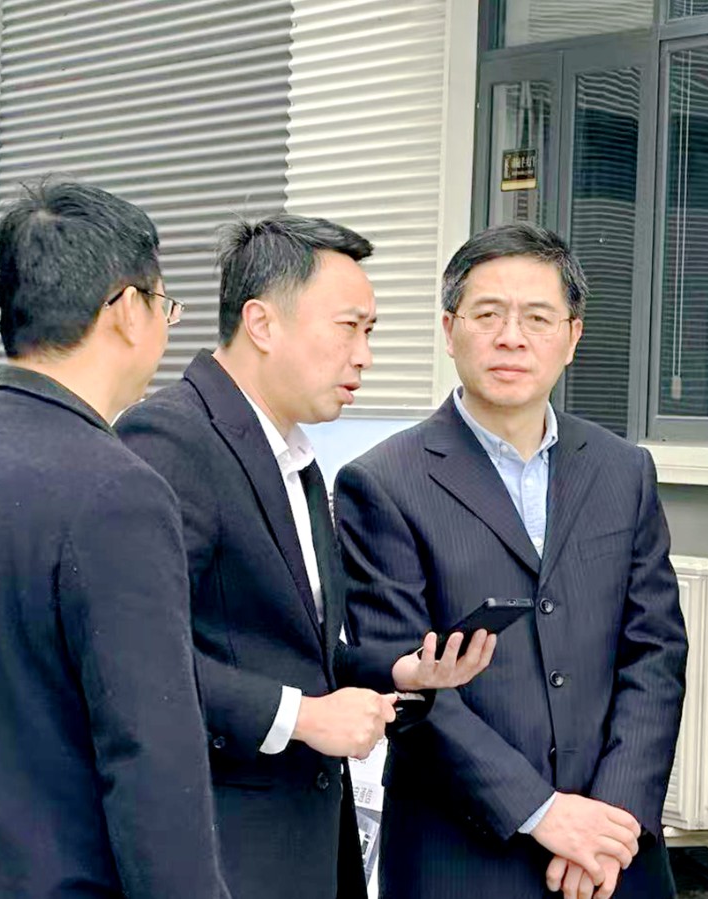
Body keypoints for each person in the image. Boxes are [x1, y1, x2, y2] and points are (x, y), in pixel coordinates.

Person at [117, 215, 495, 899]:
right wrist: (301, 717)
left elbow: (287, 651)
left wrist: (402, 670)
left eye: (370, 331)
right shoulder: (172, 439)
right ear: (262, 323)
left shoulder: (295, 457)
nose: (364, 356)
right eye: (349, 327)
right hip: (218, 851)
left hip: (302, 845)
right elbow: (133, 658)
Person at [0, 182, 228, 898]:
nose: (165, 327)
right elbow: (151, 761)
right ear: (125, 311)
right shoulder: (119, 493)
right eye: (164, 305)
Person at [335, 223, 688, 899]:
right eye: (488, 315)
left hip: (614, 857)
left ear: (572, 337)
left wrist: (611, 820)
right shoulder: (382, 482)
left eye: (538, 318)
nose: (511, 338)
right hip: (462, 852)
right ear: (449, 329)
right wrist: (544, 812)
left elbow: (656, 653)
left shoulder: (623, 471)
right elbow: (406, 681)